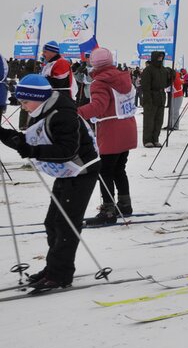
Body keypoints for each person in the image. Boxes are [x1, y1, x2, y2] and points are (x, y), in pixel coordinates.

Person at [0, 74, 101, 292]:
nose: (23, 106)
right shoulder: (42, 110)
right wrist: (5, 135)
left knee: (65, 224)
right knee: (52, 222)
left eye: (25, 102)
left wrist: (33, 151)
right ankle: (53, 267)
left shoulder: (62, 114)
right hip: (66, 172)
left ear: (37, 97)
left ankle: (61, 274)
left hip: (81, 171)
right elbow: (30, 140)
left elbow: (67, 150)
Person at [78, 48, 138, 225]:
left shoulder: (99, 82)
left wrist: (76, 112)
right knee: (119, 169)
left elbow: (98, 106)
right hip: (127, 128)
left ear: (94, 64)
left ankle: (108, 210)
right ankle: (125, 205)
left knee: (104, 172)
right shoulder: (122, 77)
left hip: (111, 132)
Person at [140, 51, 171, 147]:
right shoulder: (148, 70)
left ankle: (155, 139)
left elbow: (165, 84)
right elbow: (145, 86)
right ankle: (147, 140)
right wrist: (147, 99)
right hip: (151, 97)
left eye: (161, 57)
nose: (160, 59)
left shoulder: (163, 70)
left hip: (161, 96)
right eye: (158, 57)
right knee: (149, 120)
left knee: (159, 120)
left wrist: (171, 77)